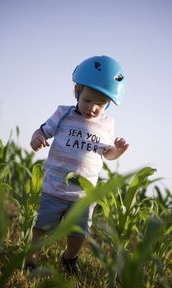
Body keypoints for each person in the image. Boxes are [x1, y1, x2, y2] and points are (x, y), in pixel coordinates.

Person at [26, 55, 129, 275]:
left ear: (108, 104)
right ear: (77, 92)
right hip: (54, 187)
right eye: (88, 100)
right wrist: (36, 138)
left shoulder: (106, 125)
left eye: (100, 104)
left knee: (78, 233)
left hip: (83, 194)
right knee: (42, 227)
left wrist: (117, 151)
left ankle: (70, 258)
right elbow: (42, 130)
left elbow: (107, 154)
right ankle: (32, 259)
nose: (92, 108)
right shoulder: (63, 114)